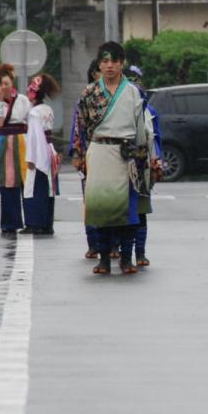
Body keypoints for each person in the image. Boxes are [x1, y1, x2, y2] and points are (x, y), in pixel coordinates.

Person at [76, 41, 149, 275]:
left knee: (127, 210)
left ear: (121, 64)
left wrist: (142, 155)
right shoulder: (89, 93)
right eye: (105, 61)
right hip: (99, 151)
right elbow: (81, 126)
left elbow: (140, 127)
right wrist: (80, 155)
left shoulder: (133, 92)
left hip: (125, 154)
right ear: (99, 64)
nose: (109, 66)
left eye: (114, 61)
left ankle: (126, 259)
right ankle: (104, 259)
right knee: (101, 208)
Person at [123, 66, 162, 268]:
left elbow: (156, 139)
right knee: (121, 210)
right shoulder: (119, 110)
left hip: (143, 166)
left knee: (141, 210)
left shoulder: (150, 112)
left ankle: (140, 253)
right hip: (121, 164)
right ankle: (121, 252)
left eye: (136, 82)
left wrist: (157, 160)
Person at [0, 63, 32, 238]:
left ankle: (31, 221)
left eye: (7, 83)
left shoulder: (22, 100)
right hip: (6, 142)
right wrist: (1, 102)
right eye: (1, 84)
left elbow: (28, 120)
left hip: (22, 140)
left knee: (26, 181)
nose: (4, 87)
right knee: (7, 182)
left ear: (12, 82)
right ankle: (10, 223)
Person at [71, 59, 102, 260]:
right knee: (90, 200)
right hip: (90, 153)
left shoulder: (122, 93)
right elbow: (78, 128)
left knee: (113, 199)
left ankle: (114, 244)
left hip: (114, 154)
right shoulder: (86, 96)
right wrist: (77, 153)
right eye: (100, 69)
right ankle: (93, 243)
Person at [22, 73, 60, 236]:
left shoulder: (34, 113)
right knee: (49, 188)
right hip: (49, 149)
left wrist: (31, 158)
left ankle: (35, 223)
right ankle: (47, 224)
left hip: (38, 152)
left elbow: (34, 137)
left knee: (34, 187)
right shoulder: (48, 109)